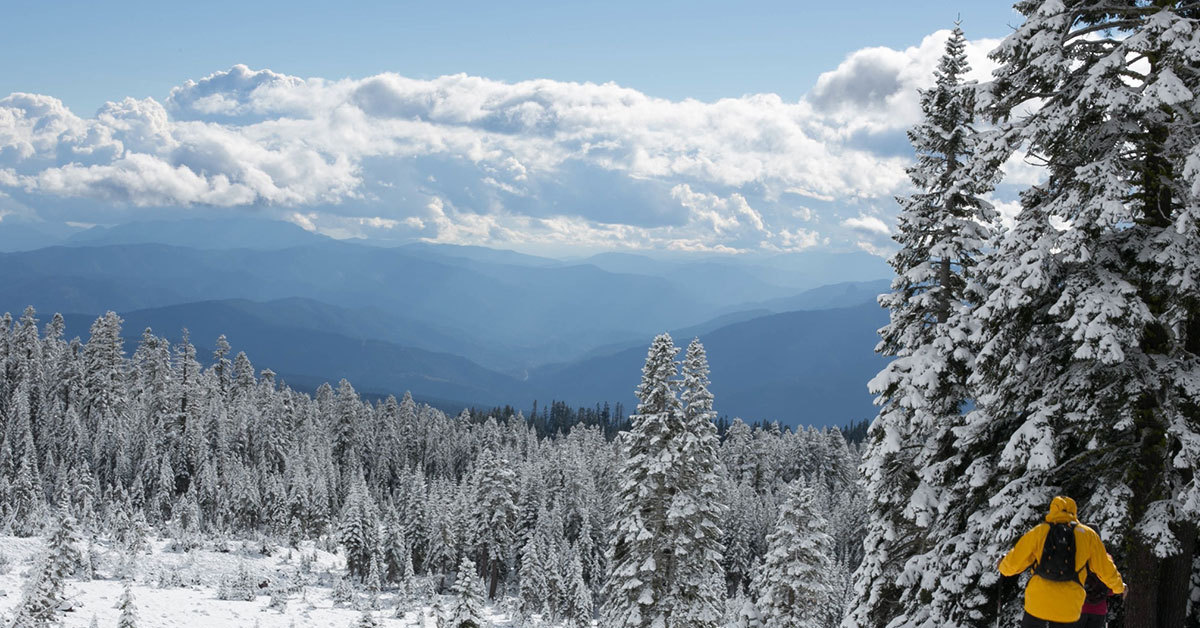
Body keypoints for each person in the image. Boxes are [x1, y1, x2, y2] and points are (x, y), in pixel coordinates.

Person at [998, 496, 1125, 628]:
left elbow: (1012, 564)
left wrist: (1002, 566)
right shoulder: (1088, 535)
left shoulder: (1039, 532)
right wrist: (1118, 587)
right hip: (1069, 606)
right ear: (1074, 511)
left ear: (1052, 510)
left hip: (1038, 603)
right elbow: (1105, 568)